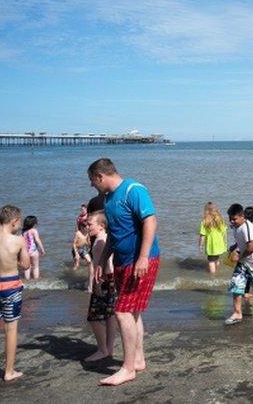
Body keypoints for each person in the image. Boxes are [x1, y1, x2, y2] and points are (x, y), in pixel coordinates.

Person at [88, 158, 161, 386]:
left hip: (140, 261)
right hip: (121, 261)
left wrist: (142, 257)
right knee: (133, 312)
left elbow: (150, 221)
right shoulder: (108, 199)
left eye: (92, 181)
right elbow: (114, 234)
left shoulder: (133, 189)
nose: (92, 186)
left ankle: (128, 368)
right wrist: (101, 259)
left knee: (122, 312)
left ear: (101, 176)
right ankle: (137, 360)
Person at [0, 204, 30, 383]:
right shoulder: (17, 240)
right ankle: (9, 371)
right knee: (11, 329)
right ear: (14, 221)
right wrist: (15, 260)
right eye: (19, 222)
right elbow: (26, 265)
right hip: (10, 287)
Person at [84, 211, 118, 363]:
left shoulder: (98, 242)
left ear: (102, 226)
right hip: (111, 280)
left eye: (90, 224)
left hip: (103, 281)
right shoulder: (107, 239)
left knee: (93, 318)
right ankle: (109, 348)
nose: (87, 226)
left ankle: (103, 349)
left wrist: (95, 285)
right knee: (110, 316)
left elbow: (99, 265)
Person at [198, 202, 228, 274]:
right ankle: (216, 270)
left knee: (211, 261)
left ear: (206, 211)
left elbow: (202, 235)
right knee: (217, 259)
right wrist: (225, 242)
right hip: (220, 244)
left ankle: (213, 275)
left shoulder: (204, 222)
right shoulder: (220, 220)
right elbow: (224, 233)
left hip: (211, 246)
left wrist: (200, 246)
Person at [21, 216, 45, 280]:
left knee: (27, 268)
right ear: (34, 224)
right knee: (36, 267)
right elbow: (37, 240)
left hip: (26, 252)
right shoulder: (34, 230)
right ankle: (36, 281)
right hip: (34, 252)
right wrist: (42, 249)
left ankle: (27, 281)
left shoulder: (24, 232)